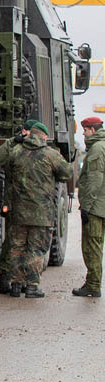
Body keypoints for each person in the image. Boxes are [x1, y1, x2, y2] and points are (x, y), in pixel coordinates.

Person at [0, 121, 72, 298]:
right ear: (43, 136)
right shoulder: (51, 154)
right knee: (36, 249)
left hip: (18, 211)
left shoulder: (16, 152)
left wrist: (13, 141)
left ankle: (15, 284)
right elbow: (67, 173)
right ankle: (32, 286)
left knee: (17, 247)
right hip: (41, 213)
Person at [0, 119, 37, 294]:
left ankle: (20, 280)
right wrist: (12, 141)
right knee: (13, 242)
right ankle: (7, 277)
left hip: (28, 204)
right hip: (15, 202)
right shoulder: (15, 146)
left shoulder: (40, 149)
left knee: (25, 244)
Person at [73, 116, 105, 297]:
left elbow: (94, 180)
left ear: (92, 130)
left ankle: (93, 285)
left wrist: (87, 206)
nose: (83, 134)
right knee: (96, 245)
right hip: (101, 204)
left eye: (85, 130)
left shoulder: (97, 149)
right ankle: (93, 283)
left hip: (96, 207)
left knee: (92, 246)